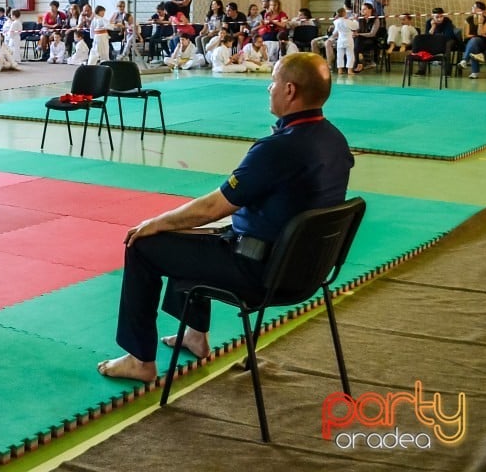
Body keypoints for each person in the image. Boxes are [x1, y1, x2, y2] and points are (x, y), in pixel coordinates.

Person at [97, 52, 353, 382]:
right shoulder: (334, 139)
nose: (269, 88)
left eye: (273, 82)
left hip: (260, 272)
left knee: (145, 243)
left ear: (290, 90)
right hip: (309, 270)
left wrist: (156, 222)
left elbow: (212, 207)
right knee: (193, 233)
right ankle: (195, 334)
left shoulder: (278, 149)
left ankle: (140, 359)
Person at [458, 1, 486, 79]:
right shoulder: (468, 19)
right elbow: (466, 35)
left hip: (484, 43)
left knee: (475, 41)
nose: (472, 8)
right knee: (474, 44)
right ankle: (474, 72)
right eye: (473, 7)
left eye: (475, 7)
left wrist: (480, 23)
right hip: (471, 41)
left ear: (481, 10)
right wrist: (476, 36)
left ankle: (465, 61)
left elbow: (481, 33)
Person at [332, 7, 358, 75]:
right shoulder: (348, 21)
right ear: (344, 13)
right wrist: (355, 20)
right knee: (350, 55)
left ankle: (340, 70)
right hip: (348, 40)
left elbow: (334, 32)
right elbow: (355, 27)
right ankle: (349, 70)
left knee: (339, 55)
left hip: (340, 40)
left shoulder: (336, 22)